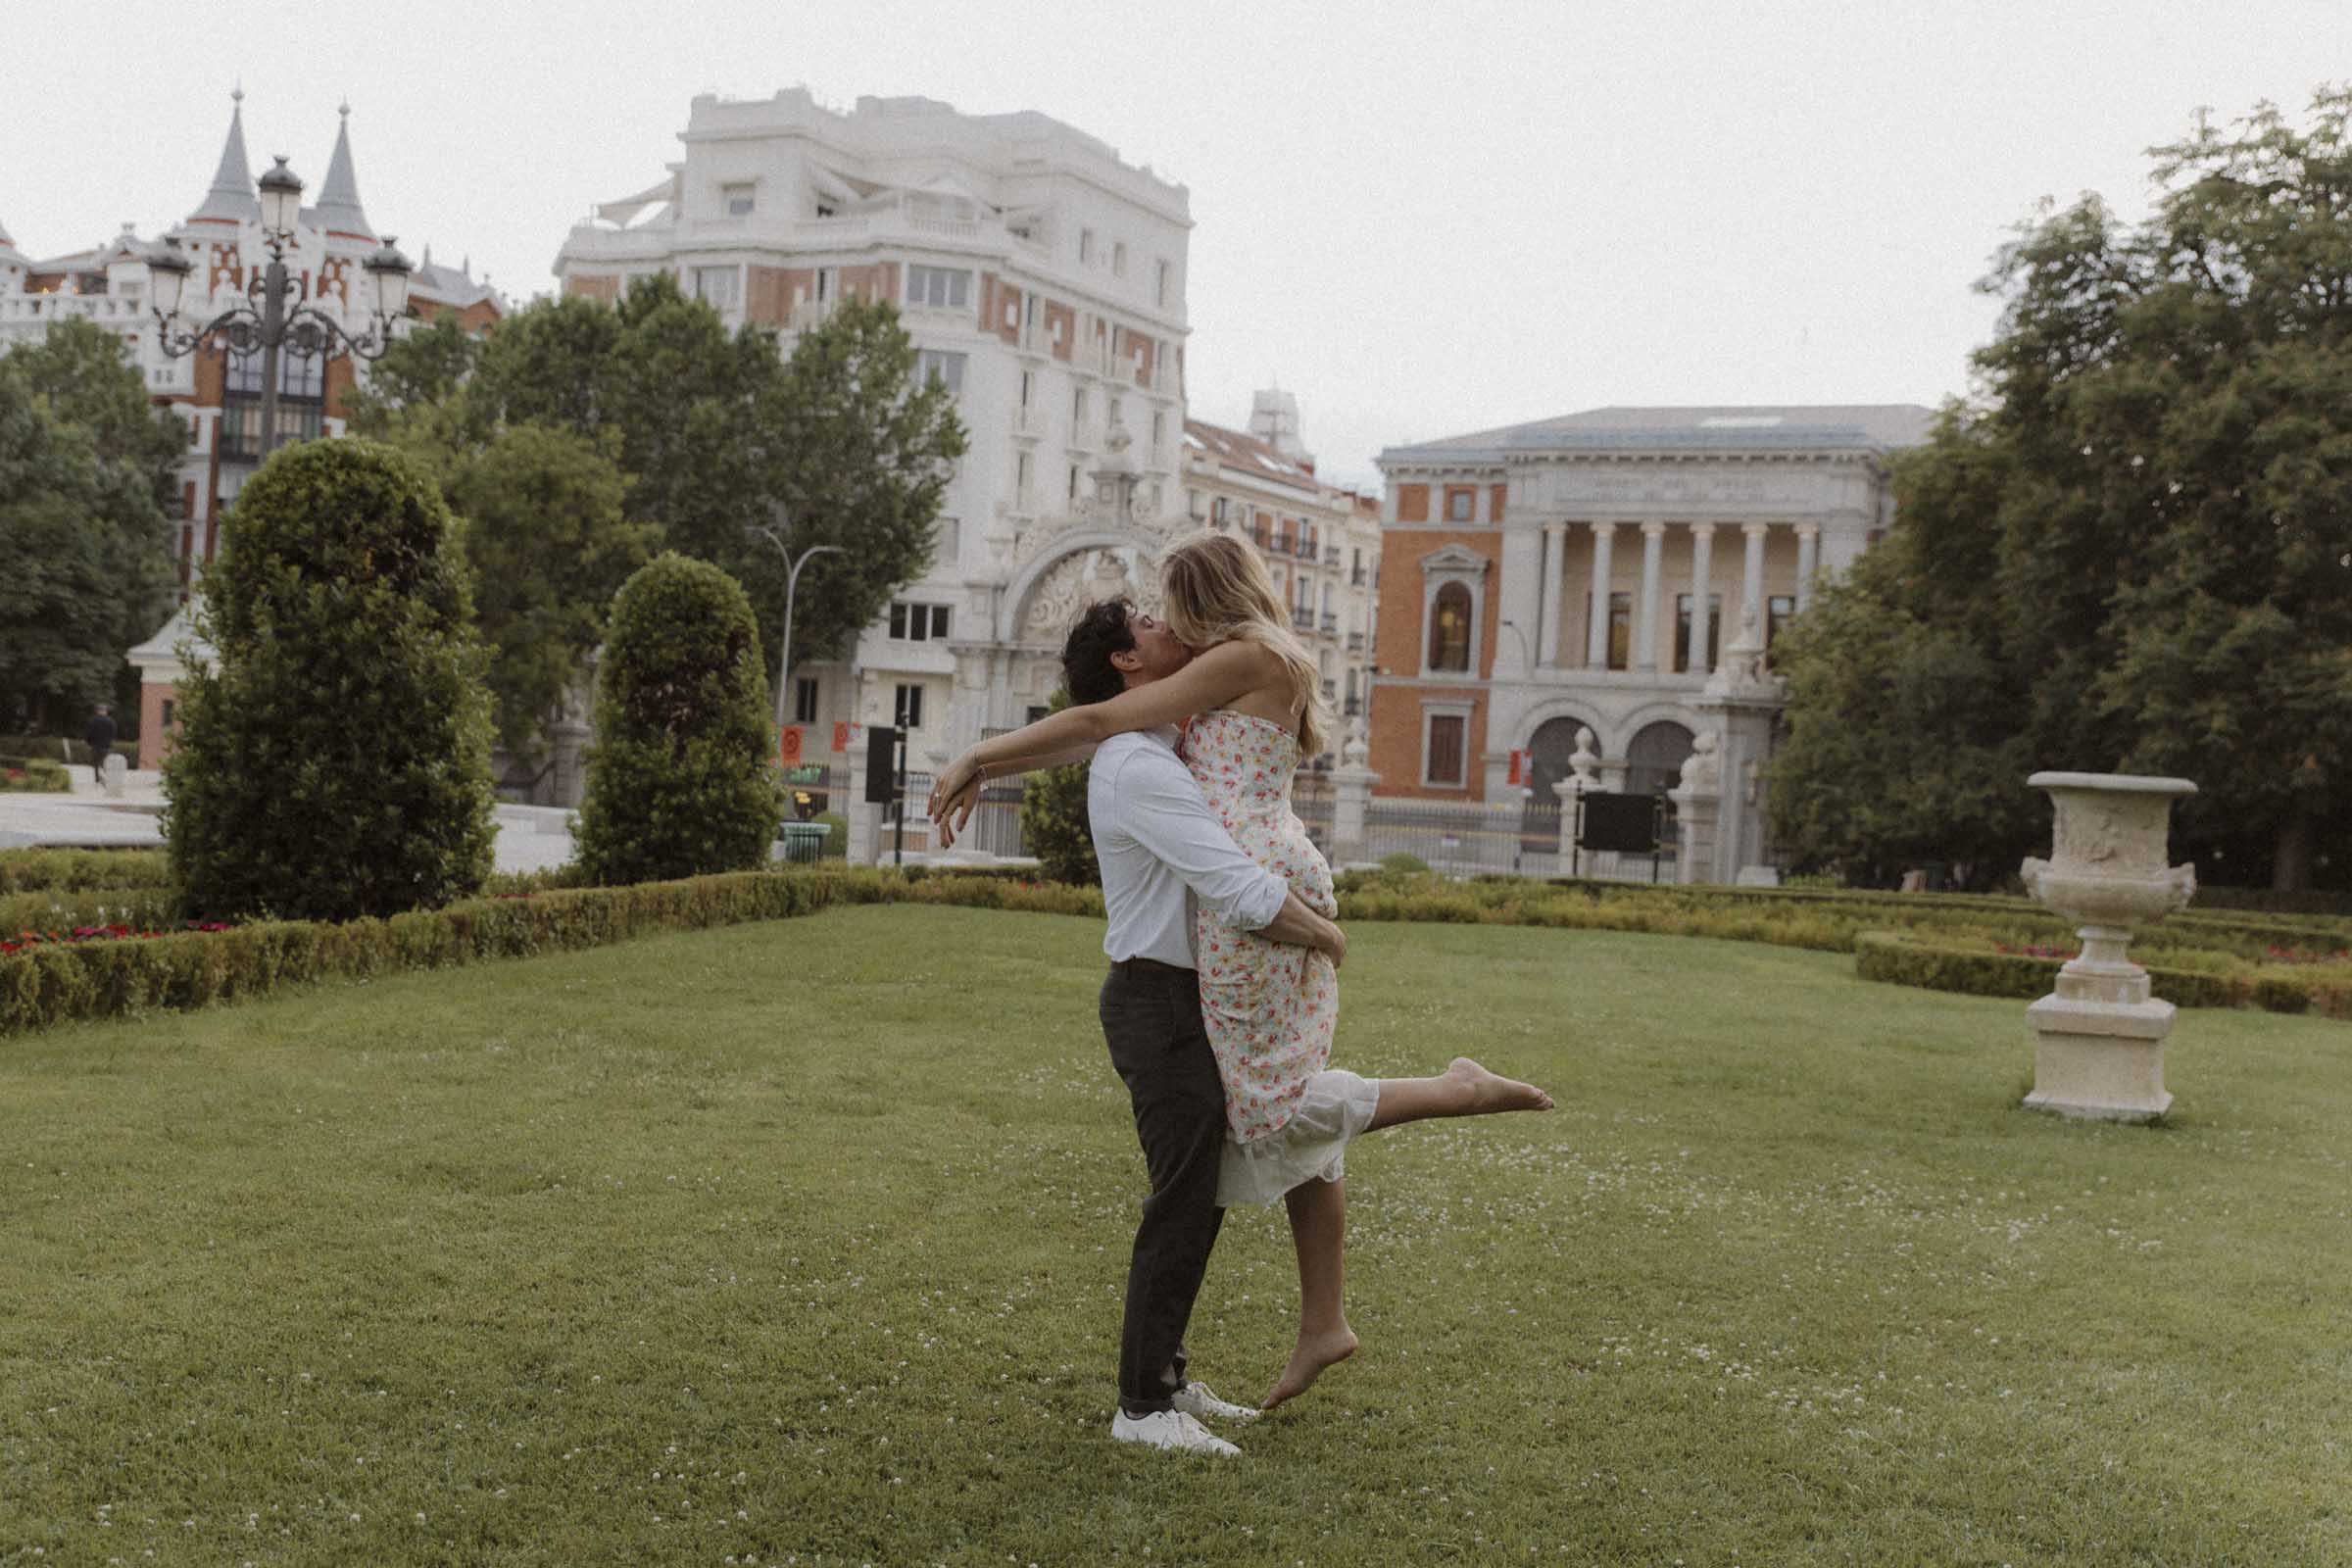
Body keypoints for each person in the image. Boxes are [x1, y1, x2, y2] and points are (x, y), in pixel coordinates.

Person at [930, 533, 1552, 1414]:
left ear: (1204, 601)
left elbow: (1099, 724)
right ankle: (1320, 1318)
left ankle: (1454, 1095)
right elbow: (1098, 725)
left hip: (1252, 888)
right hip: (1253, 880)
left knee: (1269, 1107)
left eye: (1168, 606)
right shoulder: (1224, 680)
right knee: (1267, 1107)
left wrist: (978, 757)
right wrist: (987, 762)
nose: (1162, 622)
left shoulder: (1242, 660)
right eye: (1149, 619)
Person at [84, 705, 117, 788]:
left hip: (95, 746)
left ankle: (97, 781)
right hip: (107, 747)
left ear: (98, 711)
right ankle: (108, 779)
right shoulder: (111, 721)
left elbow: (89, 733)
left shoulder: (93, 721)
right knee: (106, 764)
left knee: (96, 764)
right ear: (106, 711)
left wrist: (88, 743)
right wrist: (111, 743)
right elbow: (113, 734)